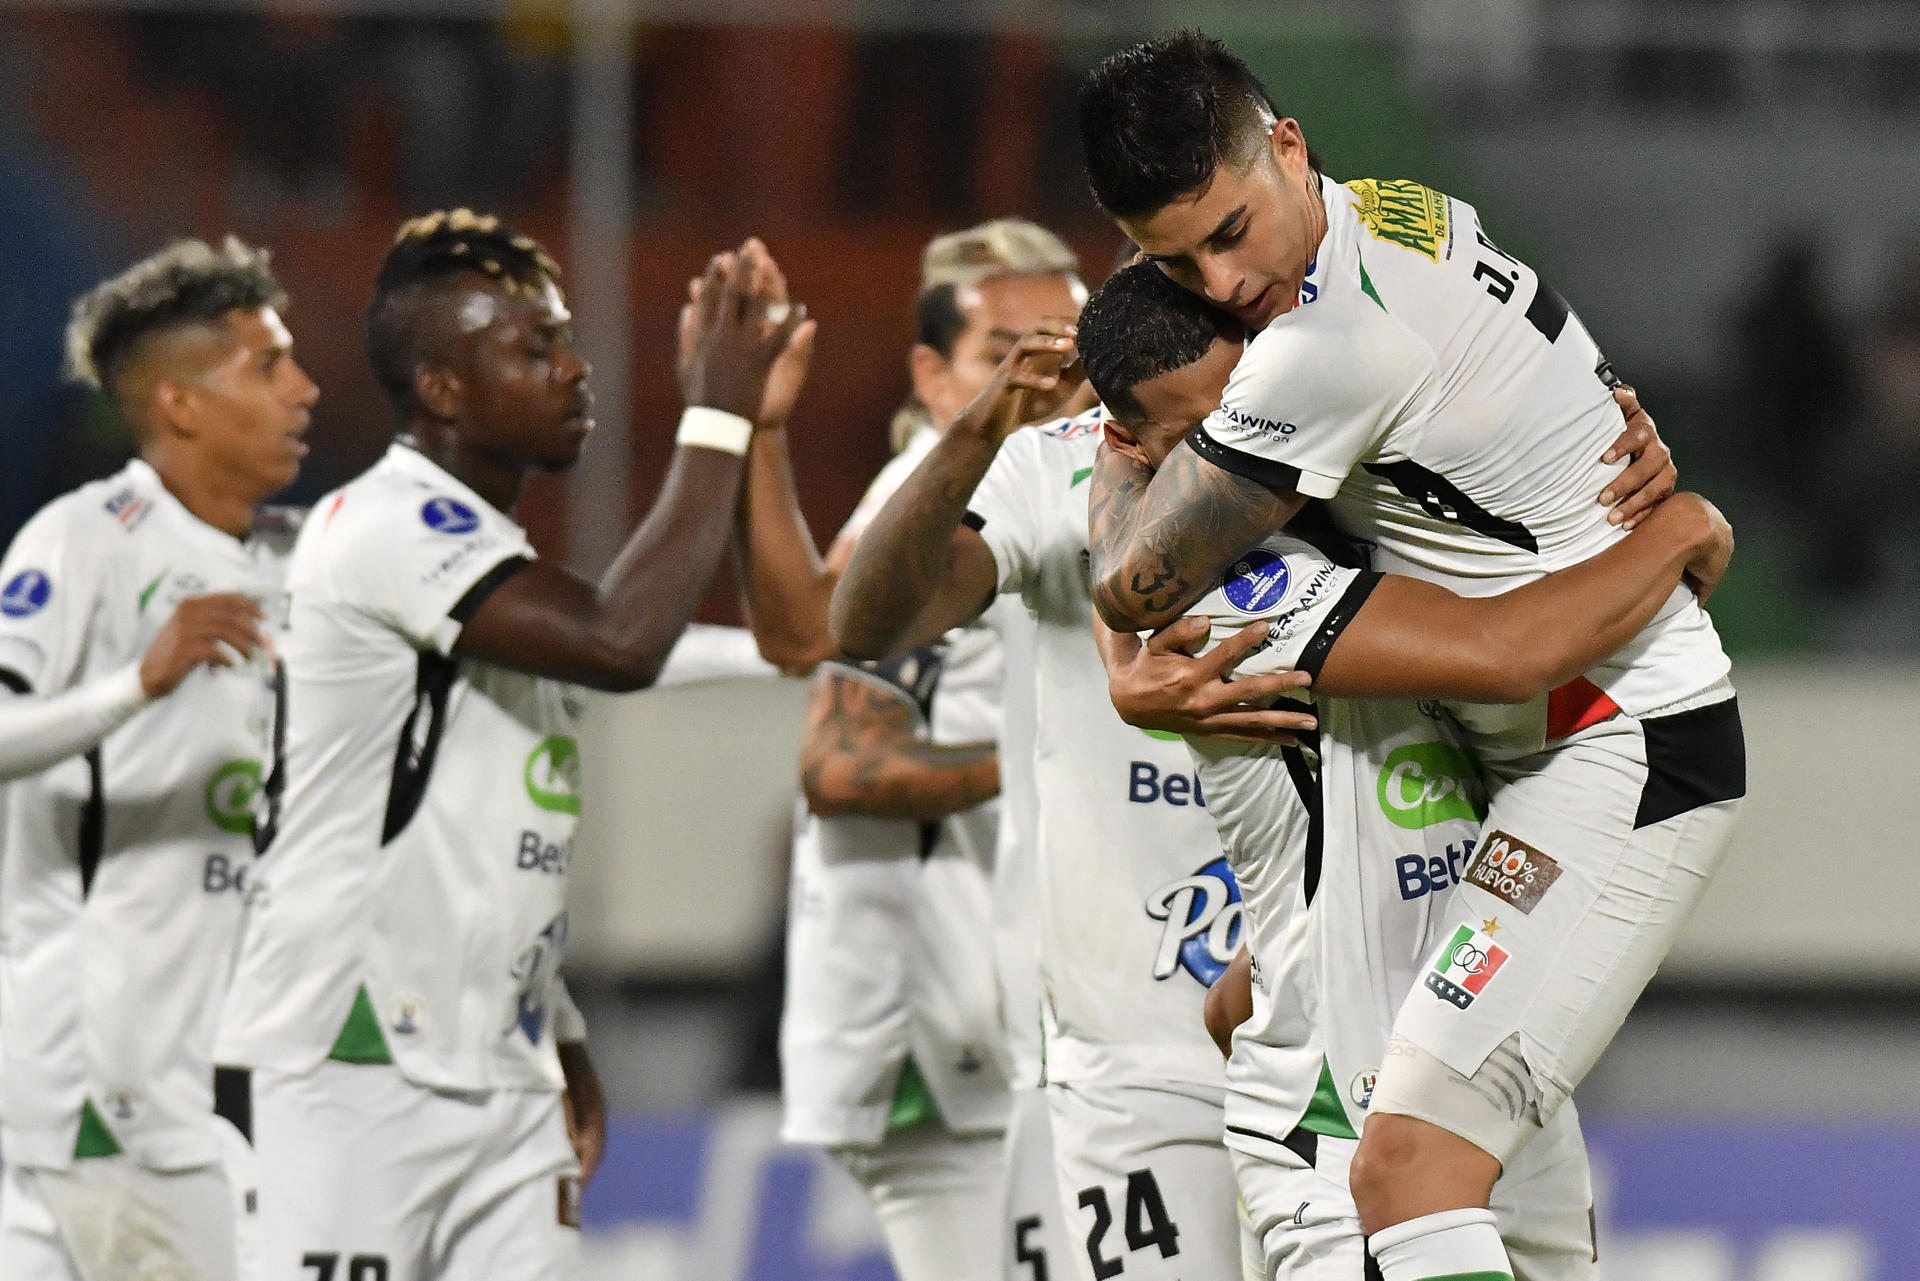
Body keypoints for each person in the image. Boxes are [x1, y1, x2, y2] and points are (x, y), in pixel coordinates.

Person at [826, 292, 1698, 1281]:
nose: (1235, 461)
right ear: (1130, 435)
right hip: (1143, 1052)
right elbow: (861, 623)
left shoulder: (1365, 444)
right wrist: (984, 437)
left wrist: (1627, 453)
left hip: (1358, 994)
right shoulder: (1051, 465)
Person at [1077, 34, 1745, 1281]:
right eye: (1175, 259)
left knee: (1408, 1168)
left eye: (1229, 233)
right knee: (1435, 1176)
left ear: (1286, 144)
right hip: (1554, 755)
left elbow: (1134, 577)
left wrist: (1122, 503)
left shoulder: (1317, 351)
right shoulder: (1393, 212)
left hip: (1619, 744)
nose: (1222, 284)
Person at [210, 210, 798, 1281]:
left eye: (566, 340)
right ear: (441, 389)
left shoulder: (488, 568)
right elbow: (622, 641)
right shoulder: (385, 528)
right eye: (533, 349)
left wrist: (555, 1020)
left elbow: (481, 821)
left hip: (497, 1063)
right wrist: (716, 415)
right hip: (350, 1063)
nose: (575, 371)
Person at [735, 221, 1089, 1281]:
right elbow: (839, 762)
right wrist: (1041, 761)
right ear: (936, 379)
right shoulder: (928, 503)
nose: (1050, 388)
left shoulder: (1051, 488)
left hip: (1003, 1010)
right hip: (937, 1023)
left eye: (1070, 357)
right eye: (1007, 360)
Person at [0, 237, 316, 1281]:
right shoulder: (85, 540)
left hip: (196, 1077)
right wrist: (137, 681)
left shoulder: (294, 560)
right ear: (180, 404)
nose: (304, 390)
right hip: (91, 1077)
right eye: (268, 366)